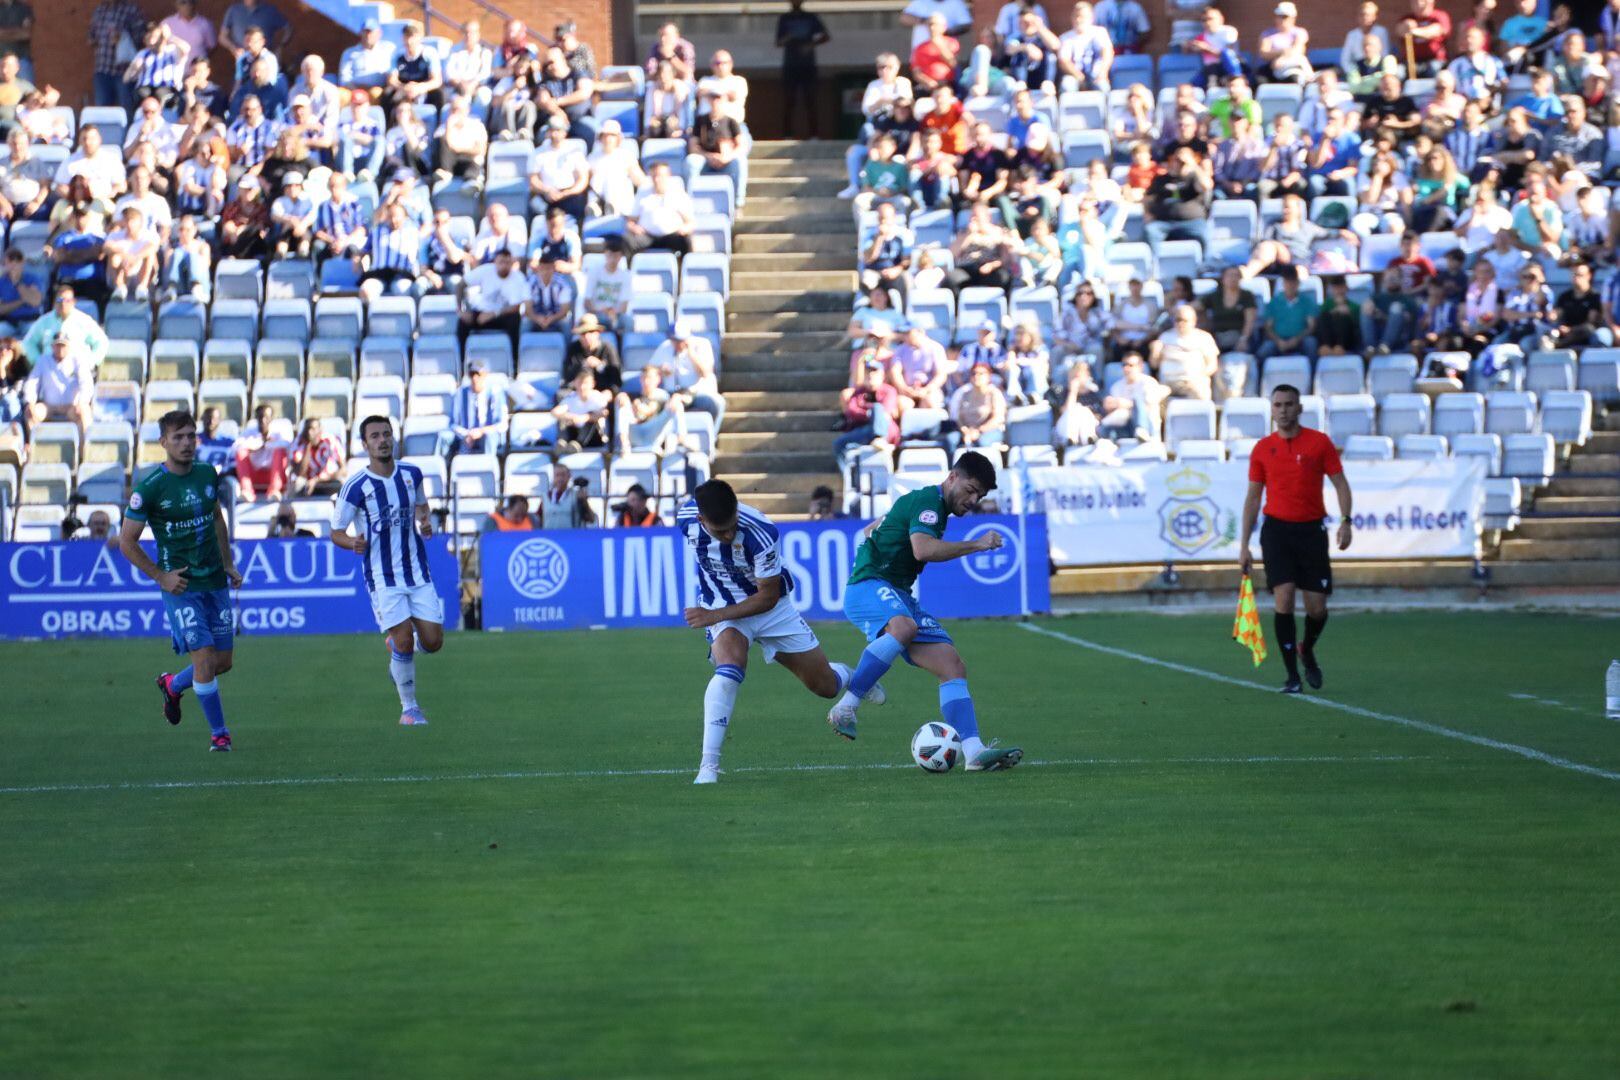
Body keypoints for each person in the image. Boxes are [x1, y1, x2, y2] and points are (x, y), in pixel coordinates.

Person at [680, 479, 883, 784]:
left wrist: (713, 615)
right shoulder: (686, 521)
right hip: (723, 607)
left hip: (772, 611)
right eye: (720, 530)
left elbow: (767, 597)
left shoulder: (762, 533)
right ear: (700, 520)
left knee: (825, 687)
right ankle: (708, 766)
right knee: (730, 668)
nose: (728, 534)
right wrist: (718, 615)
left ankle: (849, 674)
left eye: (732, 525)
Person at [828, 452, 1022, 771]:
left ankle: (973, 752)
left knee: (952, 665)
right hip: (869, 585)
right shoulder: (930, 502)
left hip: (897, 593)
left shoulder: (928, 506)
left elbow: (869, 531)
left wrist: (884, 532)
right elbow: (923, 550)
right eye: (970, 489)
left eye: (981, 496)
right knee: (904, 628)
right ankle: (847, 707)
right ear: (952, 478)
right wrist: (977, 544)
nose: (973, 500)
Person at [123, 410, 244, 751]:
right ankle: (220, 734)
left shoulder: (208, 474)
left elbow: (217, 518)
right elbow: (126, 541)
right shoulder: (150, 488)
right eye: (178, 437)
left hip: (214, 580)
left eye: (191, 435)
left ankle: (173, 685)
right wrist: (160, 576)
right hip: (181, 586)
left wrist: (228, 562)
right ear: (163, 442)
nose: (187, 443)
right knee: (203, 659)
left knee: (222, 663)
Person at [1239, 384, 1353, 694]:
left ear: (1300, 408)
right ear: (1271, 410)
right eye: (1278, 405)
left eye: (1289, 404)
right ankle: (1292, 676)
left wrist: (1345, 521)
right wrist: (1243, 545)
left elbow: (1341, 484)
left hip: (1311, 531)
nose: (1284, 410)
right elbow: (1252, 498)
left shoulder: (1319, 443)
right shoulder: (1262, 448)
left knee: (1317, 608)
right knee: (1284, 598)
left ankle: (1307, 648)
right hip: (1276, 531)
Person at [332, 416, 444, 728]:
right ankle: (409, 708)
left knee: (434, 642)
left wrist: (424, 521)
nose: (382, 440)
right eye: (375, 436)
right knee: (405, 640)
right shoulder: (356, 486)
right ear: (365, 444)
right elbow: (335, 531)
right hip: (382, 576)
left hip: (417, 571)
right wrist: (351, 541)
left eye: (387, 434)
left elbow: (422, 505)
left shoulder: (411, 474)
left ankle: (397, 648)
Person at [458, 246, 526, 355]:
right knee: (463, 321)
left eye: (507, 263)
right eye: (501, 262)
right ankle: (461, 360)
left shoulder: (518, 278)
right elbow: (461, 285)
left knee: (515, 319)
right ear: (495, 262)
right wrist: (460, 310)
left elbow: (516, 307)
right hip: (482, 314)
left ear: (512, 263)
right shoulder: (485, 270)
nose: (504, 266)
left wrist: (494, 313)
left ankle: (514, 361)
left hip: (503, 315)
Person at [776, 0, 829, 137]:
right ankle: (787, 134)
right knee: (789, 100)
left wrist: (811, 44)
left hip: (808, 64)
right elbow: (778, 42)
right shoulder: (785, 18)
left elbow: (825, 36)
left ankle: (814, 135)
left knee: (811, 100)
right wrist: (789, 37)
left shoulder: (810, 17)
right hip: (791, 65)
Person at [442, 359, 508, 456]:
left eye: (478, 374)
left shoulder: (495, 393)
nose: (475, 378)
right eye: (472, 374)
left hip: (487, 434)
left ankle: (487, 467)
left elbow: (503, 424)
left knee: (489, 438)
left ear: (485, 375)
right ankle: (448, 468)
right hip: (465, 434)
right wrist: (468, 434)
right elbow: (452, 424)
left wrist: (481, 431)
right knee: (444, 438)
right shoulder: (460, 394)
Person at [537, 461, 596, 528]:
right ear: (553, 478)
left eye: (563, 475)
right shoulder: (546, 497)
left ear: (569, 477)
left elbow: (591, 519)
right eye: (557, 475)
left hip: (570, 537)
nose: (560, 478)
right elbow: (538, 520)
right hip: (550, 537)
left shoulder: (577, 495)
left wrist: (584, 501)